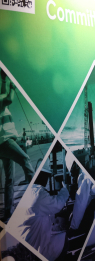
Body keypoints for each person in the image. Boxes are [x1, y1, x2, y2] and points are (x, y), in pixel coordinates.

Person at [0, 70, 35, 221]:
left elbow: (3, 94)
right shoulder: (2, 103)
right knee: (26, 160)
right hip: (6, 141)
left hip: (3, 144)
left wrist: (3, 80)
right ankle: (37, 195)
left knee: (9, 180)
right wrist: (12, 88)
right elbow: (8, 98)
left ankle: (8, 213)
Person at [16, 169, 69, 261]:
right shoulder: (39, 193)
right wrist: (65, 189)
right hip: (35, 247)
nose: (47, 180)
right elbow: (58, 204)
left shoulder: (29, 191)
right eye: (47, 177)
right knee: (65, 238)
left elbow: (45, 212)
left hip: (25, 239)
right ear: (43, 177)